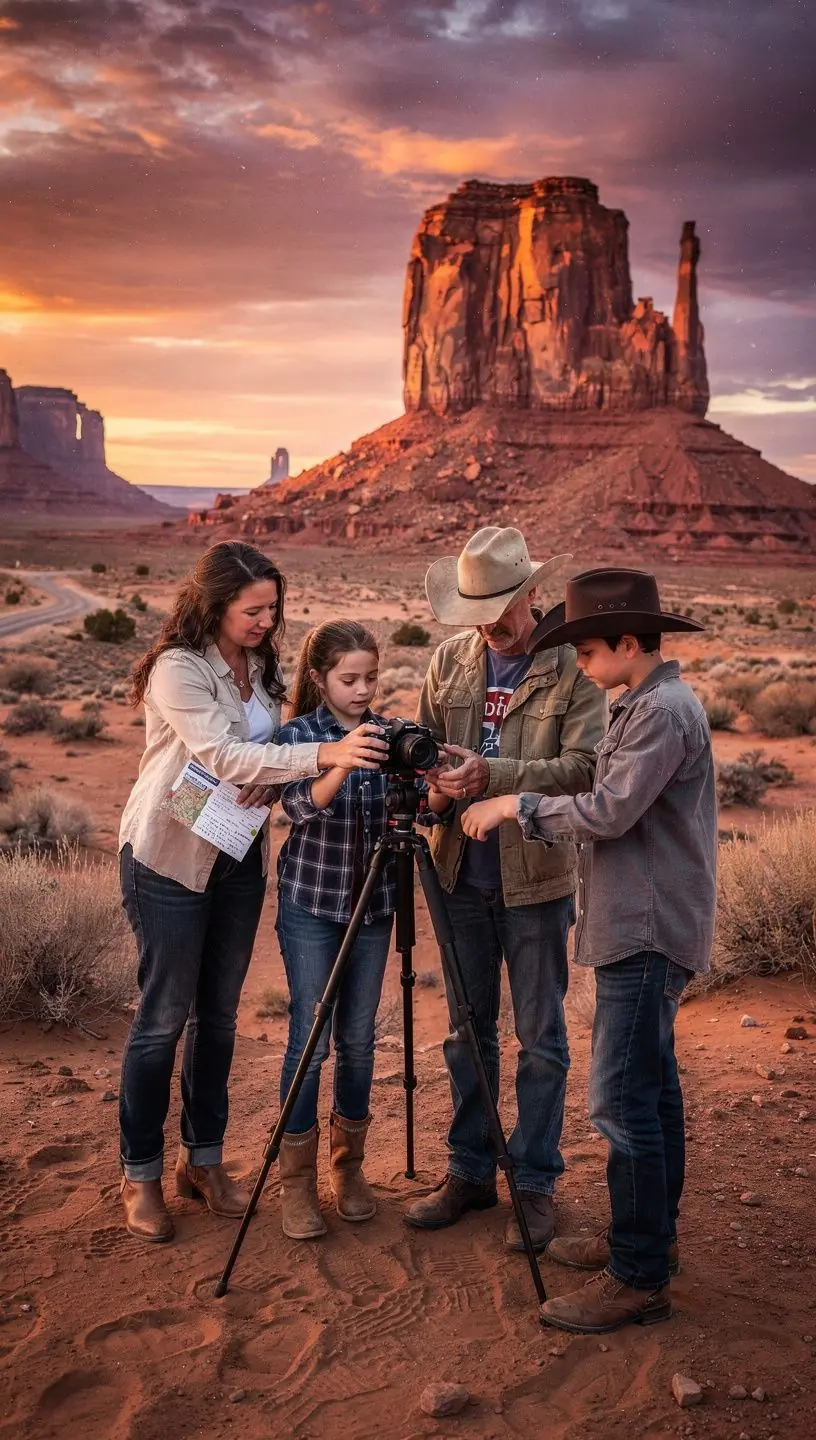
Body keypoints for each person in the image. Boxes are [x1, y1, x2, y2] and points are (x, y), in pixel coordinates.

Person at [462, 567, 717, 1333]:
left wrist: (516, 802)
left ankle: (637, 1276)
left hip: (644, 926)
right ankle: (648, 1244)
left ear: (629, 644)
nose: (578, 664)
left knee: (621, 1101)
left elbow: (607, 812)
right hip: (640, 919)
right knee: (653, 1088)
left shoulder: (660, 713)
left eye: (587, 649)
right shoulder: (646, 703)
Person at [118, 544, 387, 1243]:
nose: (266, 621)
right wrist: (324, 755)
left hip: (236, 854)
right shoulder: (180, 669)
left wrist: (287, 775)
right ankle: (140, 1173)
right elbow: (222, 755)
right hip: (170, 856)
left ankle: (202, 1162)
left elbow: (262, 768)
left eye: (272, 608)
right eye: (252, 609)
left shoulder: (262, 668)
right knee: (162, 1018)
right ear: (213, 604)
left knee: (221, 1018)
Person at [403, 526, 606, 1251]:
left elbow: (585, 768)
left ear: (530, 593)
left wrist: (496, 778)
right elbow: (422, 752)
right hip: (459, 872)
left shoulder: (572, 669)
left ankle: (535, 1181)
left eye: (502, 603)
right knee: (467, 1033)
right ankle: (469, 1172)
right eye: (477, 606)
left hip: (536, 879)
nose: (491, 620)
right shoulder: (452, 660)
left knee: (542, 1039)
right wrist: (437, 778)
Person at [274, 621, 395, 1240]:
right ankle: (296, 1184)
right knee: (309, 1040)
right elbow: (294, 807)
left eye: (371, 678)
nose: (362, 690)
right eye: (349, 679)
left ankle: (348, 1171)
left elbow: (412, 814)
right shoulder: (299, 735)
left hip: (373, 911)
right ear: (319, 678)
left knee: (359, 1041)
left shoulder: (389, 734)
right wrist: (341, 761)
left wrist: (438, 786)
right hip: (312, 908)